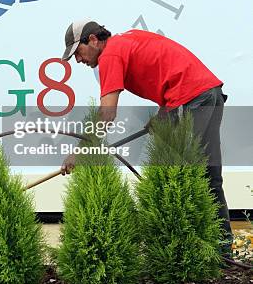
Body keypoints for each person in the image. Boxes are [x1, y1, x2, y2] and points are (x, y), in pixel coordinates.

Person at [60, 19, 233, 250]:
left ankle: (191, 251)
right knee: (210, 174)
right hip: (210, 93)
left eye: (78, 53)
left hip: (191, 98)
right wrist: (163, 113)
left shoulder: (110, 55)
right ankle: (223, 249)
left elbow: (106, 114)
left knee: (185, 176)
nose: (78, 60)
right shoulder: (127, 40)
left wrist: (78, 153)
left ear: (92, 40)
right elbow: (167, 67)